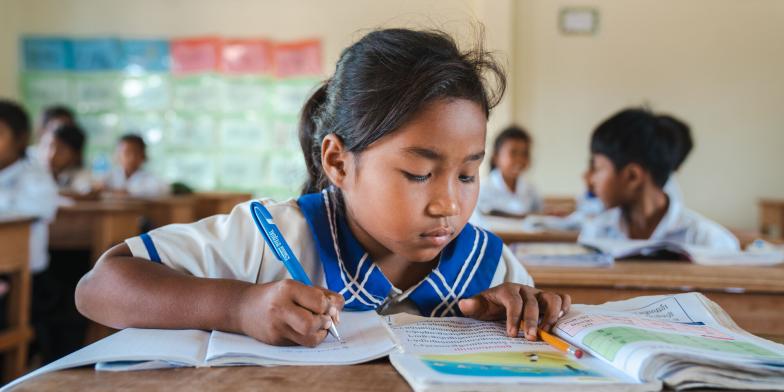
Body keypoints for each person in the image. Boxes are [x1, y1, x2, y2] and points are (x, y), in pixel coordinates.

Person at [75, 28, 570, 348]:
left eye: (467, 174)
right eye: (419, 174)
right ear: (337, 161)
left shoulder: (490, 264)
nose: (449, 203)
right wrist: (239, 306)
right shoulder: (274, 238)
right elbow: (100, 287)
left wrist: (529, 316)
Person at [579, 108, 739, 250]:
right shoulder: (595, 233)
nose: (589, 178)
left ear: (633, 176)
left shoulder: (710, 242)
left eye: (597, 168)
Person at [475, 125, 542, 218]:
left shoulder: (531, 190)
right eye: (513, 153)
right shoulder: (482, 189)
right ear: (496, 157)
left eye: (525, 153)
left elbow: (539, 220)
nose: (520, 159)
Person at [102, 134, 169, 197]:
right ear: (118, 155)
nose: (132, 158)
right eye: (127, 153)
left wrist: (125, 192)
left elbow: (163, 189)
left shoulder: (151, 179)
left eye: (136, 153)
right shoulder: (109, 176)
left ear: (143, 156)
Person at [44, 124, 92, 195]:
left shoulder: (80, 175)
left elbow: (85, 188)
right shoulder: (35, 172)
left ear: (76, 154)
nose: (52, 155)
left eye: (61, 150)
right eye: (49, 146)